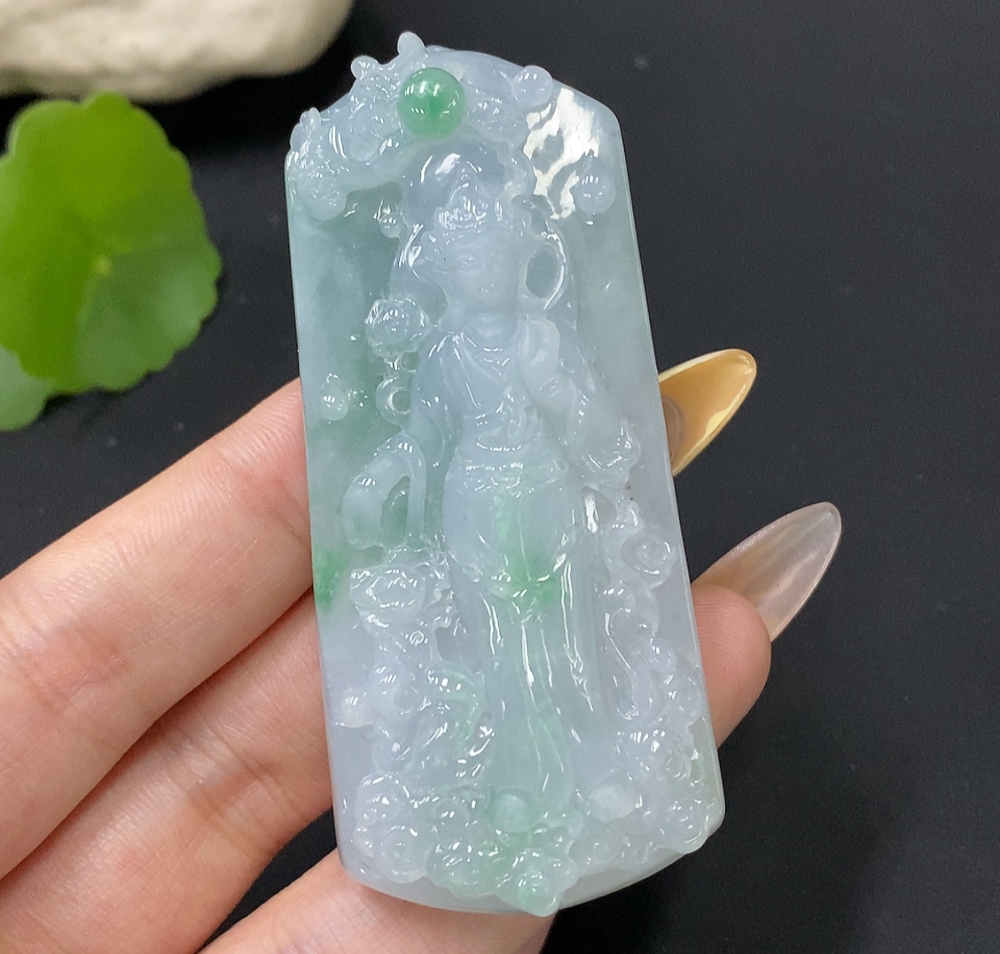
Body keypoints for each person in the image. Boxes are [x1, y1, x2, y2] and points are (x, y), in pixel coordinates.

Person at [0, 381, 770, 952]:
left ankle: (591, 764)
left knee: (562, 635)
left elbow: (579, 410)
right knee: (496, 645)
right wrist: (380, 476)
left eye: (493, 252)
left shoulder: (531, 341)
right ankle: (513, 778)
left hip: (543, 492)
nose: (480, 268)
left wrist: (609, 436)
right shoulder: (450, 353)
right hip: (474, 499)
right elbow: (420, 434)